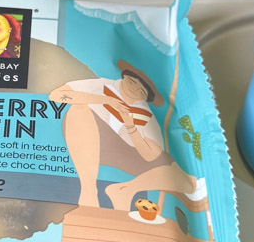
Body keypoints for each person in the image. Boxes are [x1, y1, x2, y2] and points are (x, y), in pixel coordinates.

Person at [49, 61, 198, 210]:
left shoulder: (146, 115)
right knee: (78, 110)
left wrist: (130, 125)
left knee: (187, 183)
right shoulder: (103, 86)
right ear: (124, 76)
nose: (133, 89)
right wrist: (106, 100)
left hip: (129, 152)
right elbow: (56, 94)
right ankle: (89, 191)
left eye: (141, 91)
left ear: (145, 98)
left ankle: (125, 190)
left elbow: (151, 156)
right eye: (132, 82)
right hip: (90, 140)